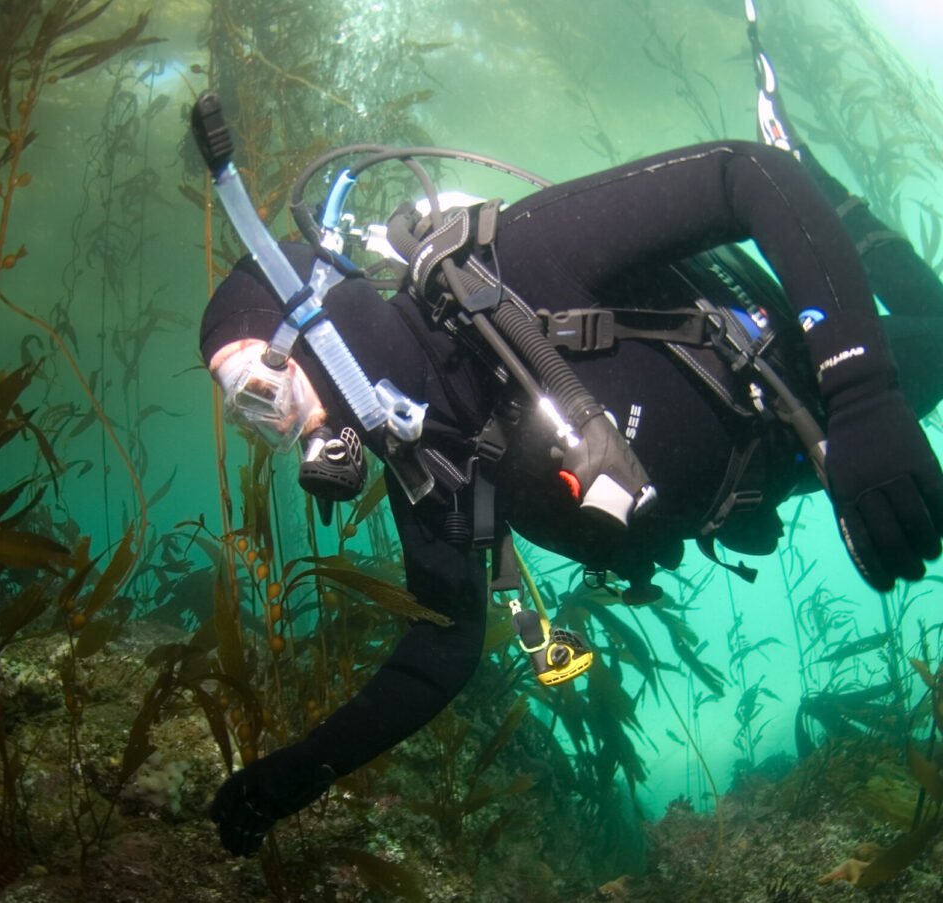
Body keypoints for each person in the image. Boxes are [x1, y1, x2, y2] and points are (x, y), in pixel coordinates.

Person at [199, 110, 943, 853]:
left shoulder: (520, 262)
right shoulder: (436, 462)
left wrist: (862, 394)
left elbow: (745, 175)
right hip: (770, 473)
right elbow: (443, 646)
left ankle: (835, 192)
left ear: (318, 324)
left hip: (802, 386)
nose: (283, 429)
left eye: (264, 394)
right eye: (252, 421)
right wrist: (298, 772)